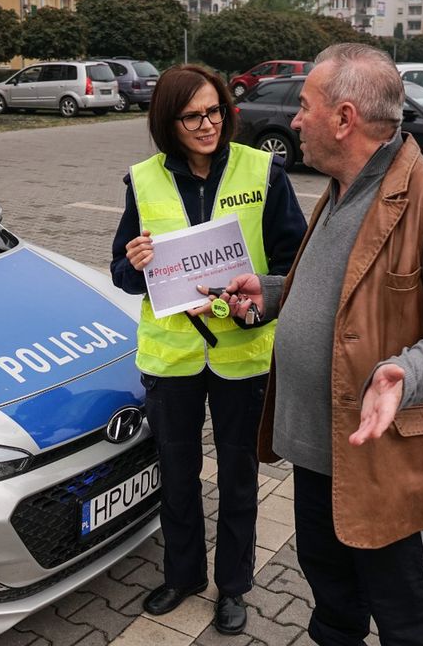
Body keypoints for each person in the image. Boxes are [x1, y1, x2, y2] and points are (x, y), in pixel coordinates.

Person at [214, 43, 423, 645]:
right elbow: (336, 289)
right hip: (319, 454)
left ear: (343, 118)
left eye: (305, 106)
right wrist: (269, 292)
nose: (293, 119)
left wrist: (404, 372)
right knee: (334, 610)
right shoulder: (342, 186)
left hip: (387, 461)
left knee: (411, 619)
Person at [110, 65, 307, 635]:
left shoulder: (262, 171)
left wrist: (255, 297)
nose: (207, 124)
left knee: (238, 476)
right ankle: (183, 576)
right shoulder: (142, 180)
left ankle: (234, 586)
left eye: (215, 111)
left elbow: (292, 262)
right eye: (193, 115)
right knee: (177, 472)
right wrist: (137, 263)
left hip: (241, 353)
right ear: (169, 122)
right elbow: (121, 271)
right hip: (171, 358)